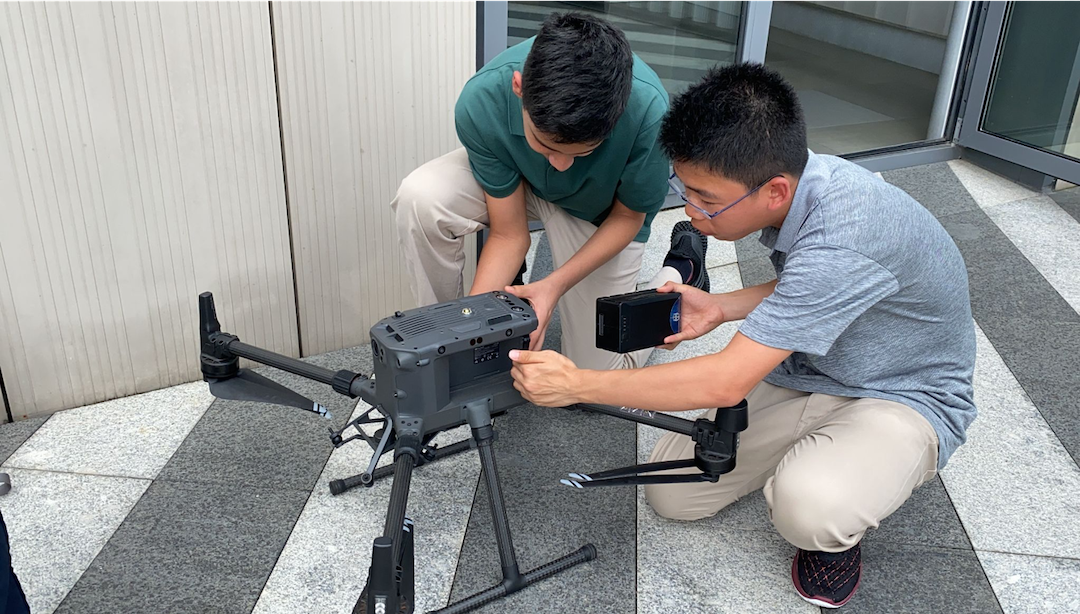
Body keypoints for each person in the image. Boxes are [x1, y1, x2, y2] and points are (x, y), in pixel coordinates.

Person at [508, 63, 976, 608]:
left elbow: (726, 382)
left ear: (774, 191)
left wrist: (578, 385)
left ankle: (837, 526)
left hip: (903, 392)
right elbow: (810, 286)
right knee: (674, 493)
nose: (690, 210)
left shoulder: (849, 228)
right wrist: (721, 307)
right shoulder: (809, 181)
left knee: (812, 507)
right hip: (811, 366)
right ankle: (824, 452)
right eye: (685, 188)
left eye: (706, 198)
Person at [392, 12, 709, 372]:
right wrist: (470, 333)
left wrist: (552, 286)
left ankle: (681, 269)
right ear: (519, 87)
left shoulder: (648, 110)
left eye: (582, 151)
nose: (560, 165)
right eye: (545, 144)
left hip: (602, 216)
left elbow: (629, 217)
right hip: (520, 184)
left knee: (596, 382)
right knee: (421, 198)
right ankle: (439, 340)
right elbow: (509, 234)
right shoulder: (482, 99)